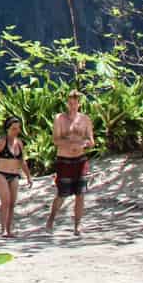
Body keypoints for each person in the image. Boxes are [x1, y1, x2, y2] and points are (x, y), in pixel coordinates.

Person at [47, 90, 95, 236]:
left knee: (80, 193)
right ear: (67, 103)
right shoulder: (59, 119)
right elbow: (55, 140)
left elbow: (91, 141)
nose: (73, 106)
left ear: (79, 104)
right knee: (62, 194)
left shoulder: (85, 120)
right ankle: (51, 218)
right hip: (64, 159)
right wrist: (69, 144)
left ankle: (77, 225)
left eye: (75, 103)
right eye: (70, 103)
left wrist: (83, 144)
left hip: (80, 159)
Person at [0, 115, 31, 238]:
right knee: (6, 201)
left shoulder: (19, 143)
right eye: (14, 128)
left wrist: (29, 176)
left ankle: (9, 229)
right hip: (0, 173)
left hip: (14, 174)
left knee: (12, 203)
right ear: (7, 129)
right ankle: (3, 229)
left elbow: (22, 161)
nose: (16, 131)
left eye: (18, 128)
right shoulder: (1, 142)